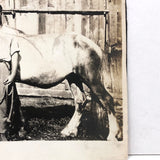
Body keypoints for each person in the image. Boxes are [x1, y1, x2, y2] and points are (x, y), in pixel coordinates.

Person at [0, 5, 25, 141]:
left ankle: (2, 134)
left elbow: (15, 55)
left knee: (3, 101)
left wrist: (12, 73)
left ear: (1, 14)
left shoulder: (9, 34)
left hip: (2, 67)